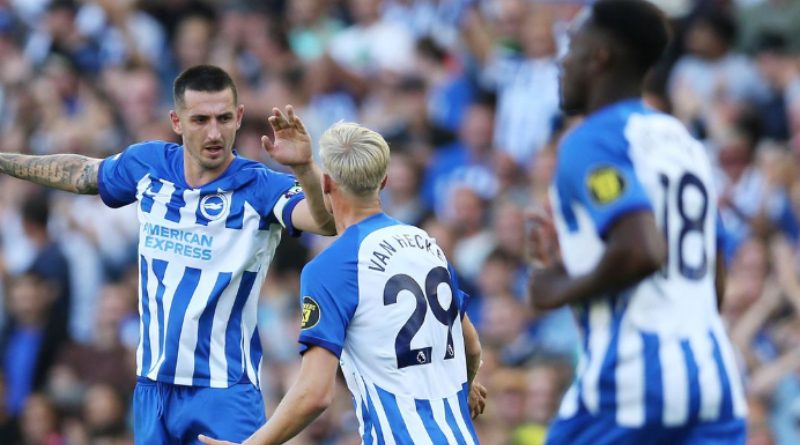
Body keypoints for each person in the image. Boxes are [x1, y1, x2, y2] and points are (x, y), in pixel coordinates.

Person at [0, 64, 336, 444]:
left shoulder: (260, 187)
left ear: (239, 117)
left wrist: (306, 168)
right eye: (200, 120)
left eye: (225, 118)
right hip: (153, 388)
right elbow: (82, 173)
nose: (214, 132)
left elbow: (325, 222)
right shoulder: (148, 166)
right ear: (176, 120)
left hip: (223, 392)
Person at [526, 1, 747, 444]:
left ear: (600, 56)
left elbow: (641, 249)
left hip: (634, 380)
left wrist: (556, 287)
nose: (563, 59)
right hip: (714, 379)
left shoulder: (590, 140)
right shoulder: (682, 141)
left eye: (572, 44)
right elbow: (713, 284)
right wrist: (580, 268)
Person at [198, 122, 486, 445]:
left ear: (326, 184)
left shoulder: (330, 267)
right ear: (384, 181)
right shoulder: (427, 245)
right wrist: (465, 384)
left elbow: (316, 392)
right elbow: (471, 346)